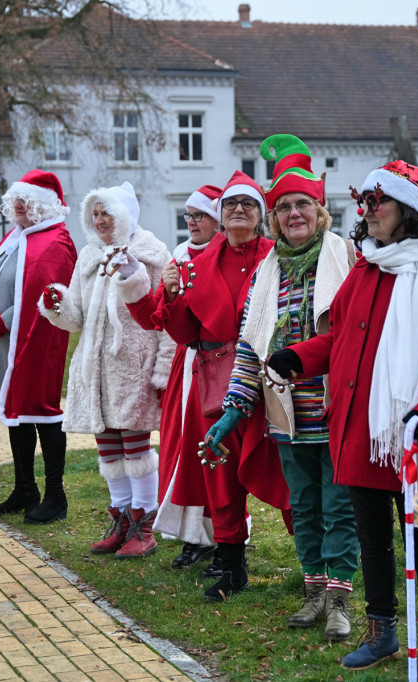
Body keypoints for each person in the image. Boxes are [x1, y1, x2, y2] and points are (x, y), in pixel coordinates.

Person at [267, 160, 418, 678]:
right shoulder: (366, 266)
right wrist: (299, 358)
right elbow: (340, 336)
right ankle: (382, 630)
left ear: (407, 209)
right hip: (361, 430)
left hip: (417, 436)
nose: (367, 211)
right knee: (372, 539)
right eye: (364, 203)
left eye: (377, 201)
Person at [205, 135, 358, 638]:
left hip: (338, 409)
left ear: (320, 211)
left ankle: (340, 600)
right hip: (286, 414)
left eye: (304, 205)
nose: (295, 214)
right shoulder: (266, 274)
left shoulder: (347, 261)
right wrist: (232, 409)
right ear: (274, 217)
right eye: (285, 207)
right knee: (305, 506)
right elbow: (251, 347)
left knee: (340, 508)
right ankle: (313, 592)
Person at [151, 170, 291, 602]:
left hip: (270, 380)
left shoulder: (279, 257)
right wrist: (171, 298)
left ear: (261, 214)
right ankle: (232, 566)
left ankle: (321, 565)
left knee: (291, 471)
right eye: (230, 204)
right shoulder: (194, 266)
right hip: (213, 380)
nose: (238, 211)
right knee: (220, 473)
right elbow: (186, 331)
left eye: (248, 204)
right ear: (221, 213)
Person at [38, 181, 175, 558]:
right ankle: (121, 520)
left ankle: (144, 524)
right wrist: (56, 305)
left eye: (106, 213)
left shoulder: (152, 253)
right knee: (108, 447)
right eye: (94, 214)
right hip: (95, 367)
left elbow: (167, 316)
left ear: (125, 214)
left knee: (135, 446)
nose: (99, 220)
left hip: (135, 364)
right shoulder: (89, 256)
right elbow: (76, 317)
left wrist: (163, 369)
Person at [119, 184, 224, 571]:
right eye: (189, 216)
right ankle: (192, 536)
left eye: (200, 215)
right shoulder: (180, 254)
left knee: (212, 453)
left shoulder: (224, 256)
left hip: (219, 361)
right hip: (187, 363)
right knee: (181, 452)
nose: (192, 222)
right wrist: (135, 282)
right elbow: (159, 316)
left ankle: (224, 539)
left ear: (219, 219)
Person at [0, 170, 77, 524]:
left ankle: (55, 495)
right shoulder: (16, 238)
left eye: (25, 200)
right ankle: (25, 488)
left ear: (43, 206)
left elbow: (47, 291)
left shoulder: (55, 241)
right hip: (5, 339)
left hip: (38, 339)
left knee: (42, 410)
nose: (17, 205)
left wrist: (6, 318)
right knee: (15, 411)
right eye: (15, 199)